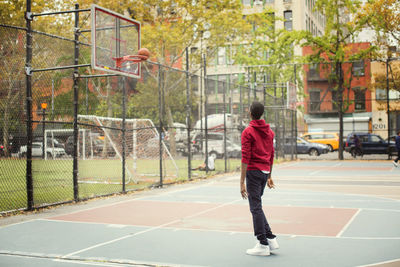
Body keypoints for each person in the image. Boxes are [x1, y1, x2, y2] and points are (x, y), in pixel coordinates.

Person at [240, 101, 279, 256]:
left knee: (255, 207)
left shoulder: (247, 132)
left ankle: (262, 244)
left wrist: (241, 181)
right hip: (264, 173)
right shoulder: (269, 132)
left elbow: (245, 158)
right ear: (261, 114)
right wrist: (269, 175)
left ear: (250, 113)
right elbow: (271, 154)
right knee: (257, 206)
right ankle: (270, 238)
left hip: (253, 172)